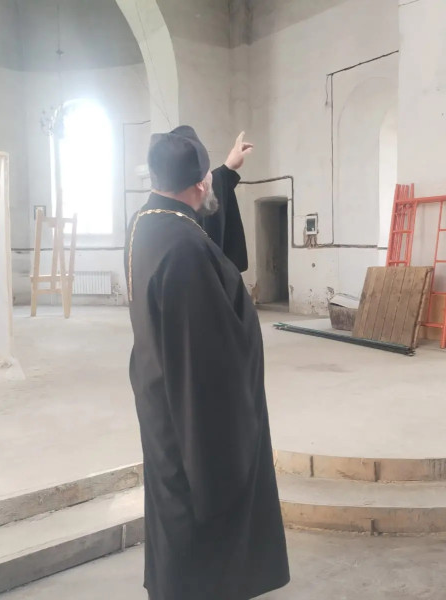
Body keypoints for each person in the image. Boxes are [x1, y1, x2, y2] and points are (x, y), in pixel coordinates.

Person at [125, 127, 290, 600]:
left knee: (171, 502)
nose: (211, 184)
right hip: (191, 413)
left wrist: (228, 170)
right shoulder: (185, 251)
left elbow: (197, 227)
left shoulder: (147, 222)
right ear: (199, 184)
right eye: (209, 177)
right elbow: (210, 354)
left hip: (160, 393)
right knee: (196, 505)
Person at [169, 125, 250, 273]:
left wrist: (228, 168)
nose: (210, 176)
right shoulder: (177, 229)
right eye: (205, 172)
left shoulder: (148, 218)